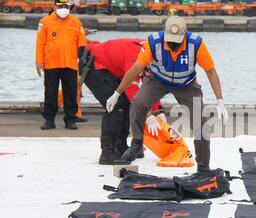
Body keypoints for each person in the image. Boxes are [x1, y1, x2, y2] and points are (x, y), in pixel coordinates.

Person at [106, 16, 229, 172]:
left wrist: (220, 101)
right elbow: (137, 68)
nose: (173, 44)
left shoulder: (196, 44)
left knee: (201, 122)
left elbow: (210, 71)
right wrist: (117, 93)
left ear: (185, 35)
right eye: (170, 40)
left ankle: (203, 167)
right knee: (138, 102)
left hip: (186, 84)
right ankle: (137, 143)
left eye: (177, 41)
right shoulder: (153, 42)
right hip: (157, 80)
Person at [79, 39, 162, 165]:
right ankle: (108, 152)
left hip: (110, 68)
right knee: (115, 106)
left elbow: (152, 84)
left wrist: (158, 110)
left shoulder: (157, 58)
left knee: (127, 104)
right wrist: (149, 116)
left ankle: (121, 145)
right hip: (94, 65)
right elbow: (131, 89)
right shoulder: (137, 54)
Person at [35, 0, 87, 130]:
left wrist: (81, 59)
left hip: (70, 63)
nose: (63, 8)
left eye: (66, 6)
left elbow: (82, 42)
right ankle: (49, 120)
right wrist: (38, 61)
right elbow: (40, 43)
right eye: (60, 6)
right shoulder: (45, 22)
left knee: (71, 93)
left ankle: (70, 119)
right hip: (51, 64)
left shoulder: (76, 22)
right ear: (54, 6)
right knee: (50, 93)